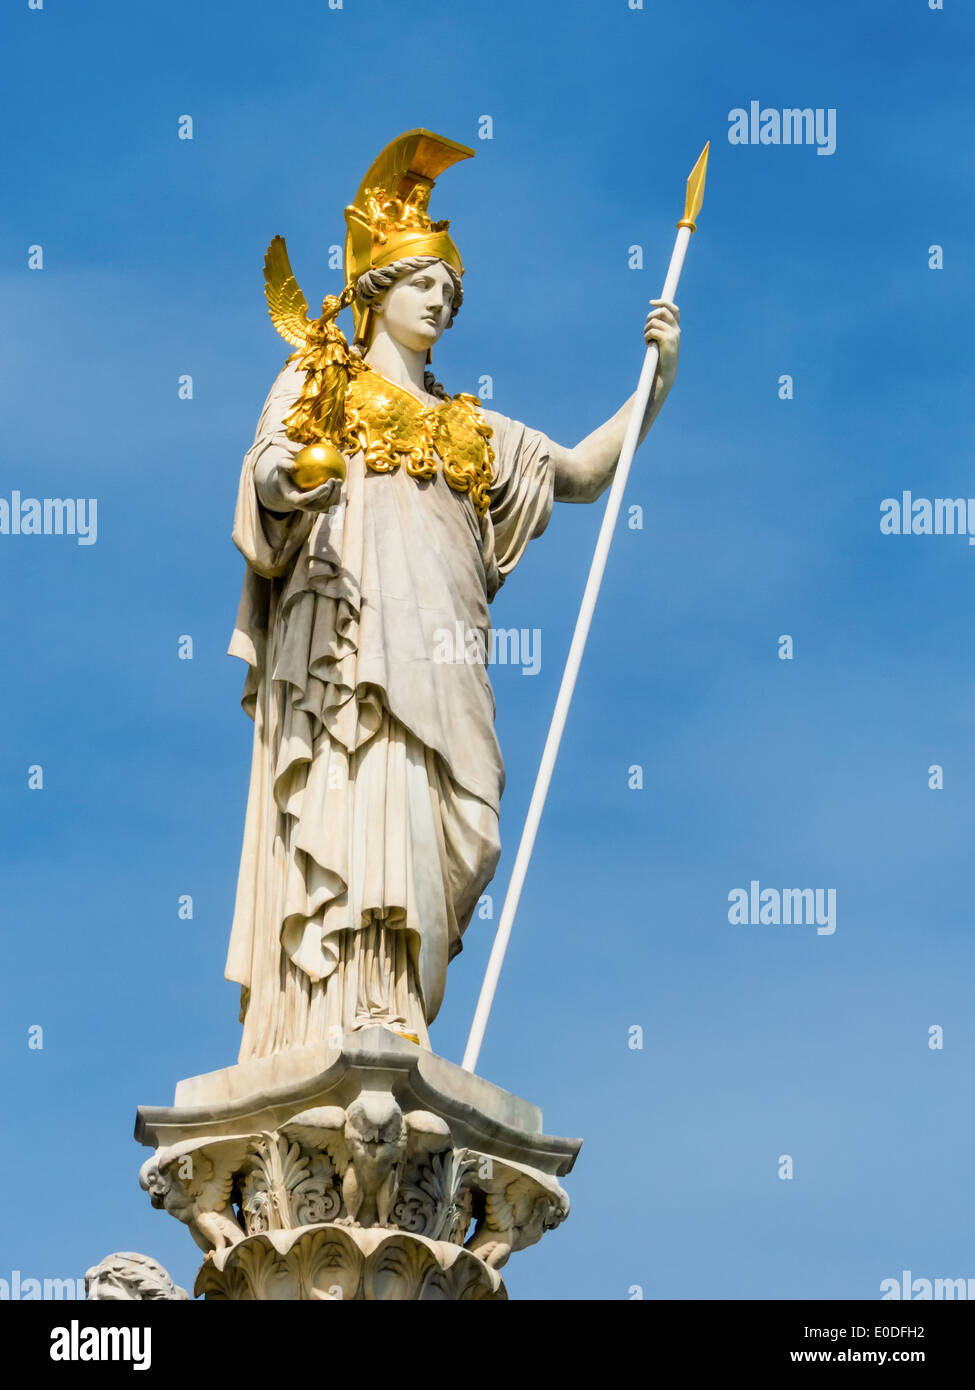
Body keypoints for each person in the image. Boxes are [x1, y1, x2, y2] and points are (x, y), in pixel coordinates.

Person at [225, 131, 680, 1060]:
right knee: (368, 779)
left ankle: (399, 999)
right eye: (421, 282)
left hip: (447, 645)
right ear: (374, 293)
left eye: (448, 289)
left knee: (465, 818)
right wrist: (292, 487)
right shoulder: (322, 381)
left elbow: (584, 474)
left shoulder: (472, 430)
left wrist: (656, 380)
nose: (439, 299)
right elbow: (268, 465)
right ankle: (354, 1001)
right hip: (353, 634)